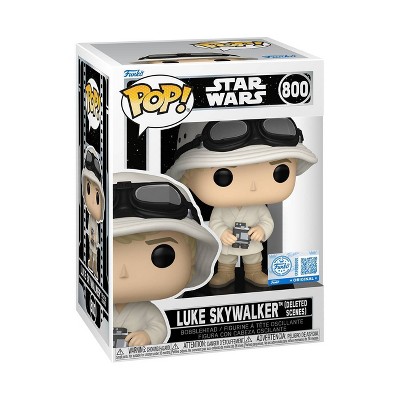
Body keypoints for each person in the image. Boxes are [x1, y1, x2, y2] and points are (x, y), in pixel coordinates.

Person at [167, 118, 317, 288]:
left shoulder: (259, 208)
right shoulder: (221, 209)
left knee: (253, 258)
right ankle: (225, 272)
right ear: (187, 178)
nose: (253, 187)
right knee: (226, 259)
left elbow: (267, 221)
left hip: (252, 243)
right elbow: (215, 222)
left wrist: (262, 230)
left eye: (279, 173)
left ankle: (254, 272)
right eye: (223, 177)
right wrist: (222, 232)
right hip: (229, 244)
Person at [113, 171, 220, 346]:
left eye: (162, 257)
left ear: (192, 258)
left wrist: (148, 336)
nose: (123, 273)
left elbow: (159, 327)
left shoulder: (145, 309)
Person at [82, 146, 105, 279]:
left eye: (96, 197)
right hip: (92, 239)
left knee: (94, 251)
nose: (91, 201)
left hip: (95, 240)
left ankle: (94, 264)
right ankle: (92, 264)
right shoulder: (90, 219)